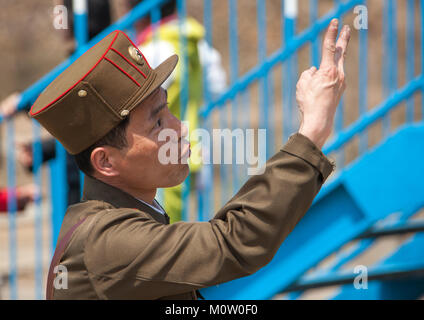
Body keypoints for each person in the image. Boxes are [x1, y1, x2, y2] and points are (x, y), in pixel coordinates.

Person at [29, 19, 350, 299]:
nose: (179, 127)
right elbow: (231, 242)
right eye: (157, 123)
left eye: (167, 109)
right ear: (106, 163)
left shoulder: (123, 216)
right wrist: (311, 134)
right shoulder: (107, 242)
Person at [0, 0, 112, 206]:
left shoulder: (96, 61)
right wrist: (45, 149)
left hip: (92, 184)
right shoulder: (83, 58)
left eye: (59, 11)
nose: (55, 17)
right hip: (81, 179)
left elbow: (92, 127)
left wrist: (24, 103)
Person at [128, 0, 227, 223]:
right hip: (194, 143)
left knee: (160, 223)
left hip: (158, 147)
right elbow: (218, 87)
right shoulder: (197, 44)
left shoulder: (152, 48)